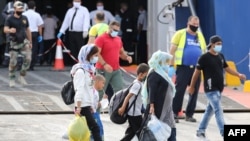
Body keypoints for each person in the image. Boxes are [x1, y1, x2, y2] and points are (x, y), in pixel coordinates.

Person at [188, 35, 246, 139]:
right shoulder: (204, 58)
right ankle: (224, 132)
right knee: (218, 110)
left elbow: (227, 68)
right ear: (212, 44)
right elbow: (196, 73)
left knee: (209, 111)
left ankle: (200, 131)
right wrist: (192, 86)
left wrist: (238, 75)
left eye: (221, 44)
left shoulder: (220, 56)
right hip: (210, 89)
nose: (220, 46)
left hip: (219, 89)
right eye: (218, 44)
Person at [169, 15, 206, 122]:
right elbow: (172, 51)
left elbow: (203, 51)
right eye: (194, 24)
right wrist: (171, 65)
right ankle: (174, 113)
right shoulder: (180, 34)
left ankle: (189, 114)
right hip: (183, 67)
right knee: (179, 91)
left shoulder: (200, 36)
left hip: (197, 69)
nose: (195, 26)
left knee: (194, 91)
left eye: (197, 25)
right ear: (188, 23)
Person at [141, 50, 177, 141]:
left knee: (171, 129)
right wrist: (152, 105)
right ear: (160, 61)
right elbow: (152, 91)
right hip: (159, 109)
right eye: (166, 62)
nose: (167, 64)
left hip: (167, 109)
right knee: (162, 132)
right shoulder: (154, 74)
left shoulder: (163, 74)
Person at [95, 21, 133, 102]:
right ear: (109, 28)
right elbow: (96, 53)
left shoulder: (118, 39)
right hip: (103, 70)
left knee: (120, 91)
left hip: (115, 70)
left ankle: (116, 111)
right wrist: (105, 64)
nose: (116, 32)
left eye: (117, 31)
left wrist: (126, 57)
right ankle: (95, 112)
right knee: (100, 92)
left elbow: (121, 52)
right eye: (114, 30)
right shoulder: (101, 39)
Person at [71, 44, 102, 141]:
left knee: (88, 131)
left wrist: (92, 105)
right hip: (82, 105)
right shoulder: (80, 71)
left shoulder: (89, 70)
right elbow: (79, 90)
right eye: (95, 55)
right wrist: (78, 107)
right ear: (87, 55)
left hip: (87, 105)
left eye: (97, 55)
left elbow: (90, 89)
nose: (96, 58)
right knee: (95, 128)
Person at [3, 1, 32, 87]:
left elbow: (28, 30)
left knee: (28, 58)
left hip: (24, 42)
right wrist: (9, 30)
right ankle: (12, 79)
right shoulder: (9, 18)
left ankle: (22, 76)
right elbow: (5, 29)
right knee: (13, 62)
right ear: (15, 9)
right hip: (14, 43)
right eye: (19, 8)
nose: (21, 10)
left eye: (22, 8)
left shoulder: (24, 18)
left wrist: (30, 41)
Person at [118, 63, 149, 141]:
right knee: (141, 133)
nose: (147, 77)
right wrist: (123, 108)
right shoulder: (137, 85)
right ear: (141, 74)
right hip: (135, 114)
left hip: (134, 113)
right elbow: (128, 97)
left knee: (130, 133)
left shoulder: (138, 83)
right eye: (146, 75)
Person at [57, 0, 90, 65]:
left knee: (80, 48)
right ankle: (75, 63)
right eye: (75, 1)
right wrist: (61, 31)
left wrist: (85, 30)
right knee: (73, 48)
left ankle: (82, 63)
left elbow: (86, 20)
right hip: (71, 32)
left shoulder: (84, 10)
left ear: (81, 2)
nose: (76, 2)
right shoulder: (70, 11)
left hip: (80, 32)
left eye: (78, 1)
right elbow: (66, 22)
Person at [1, 0, 28, 68]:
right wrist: (7, 17)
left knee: (20, 45)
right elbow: (3, 13)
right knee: (9, 44)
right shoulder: (9, 4)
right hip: (11, 27)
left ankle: (19, 61)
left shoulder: (24, 5)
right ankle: (6, 61)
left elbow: (27, 15)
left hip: (20, 28)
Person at [22, 0, 44, 71]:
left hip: (25, 33)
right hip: (34, 33)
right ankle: (31, 65)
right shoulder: (37, 15)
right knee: (34, 49)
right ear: (34, 7)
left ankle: (25, 64)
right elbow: (40, 26)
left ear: (27, 7)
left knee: (25, 49)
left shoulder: (24, 14)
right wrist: (40, 35)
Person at [92, 74, 107, 141]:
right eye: (102, 83)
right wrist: (101, 103)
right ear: (97, 81)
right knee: (98, 129)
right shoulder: (93, 91)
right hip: (93, 114)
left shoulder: (98, 91)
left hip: (95, 113)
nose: (103, 85)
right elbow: (94, 104)